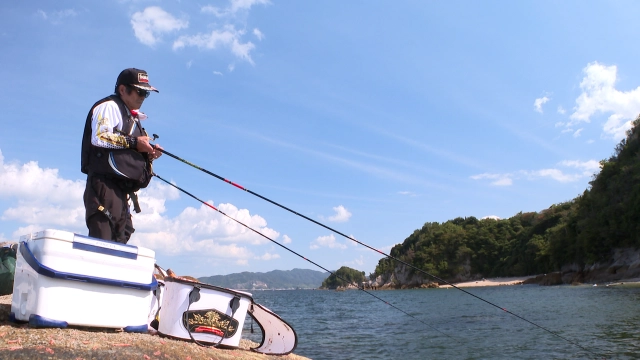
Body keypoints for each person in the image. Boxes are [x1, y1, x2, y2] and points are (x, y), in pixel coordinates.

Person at [81, 68, 163, 244]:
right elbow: (100, 137)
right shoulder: (108, 107)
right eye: (140, 91)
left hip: (121, 191)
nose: (142, 97)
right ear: (123, 90)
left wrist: (149, 153)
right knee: (103, 242)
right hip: (103, 187)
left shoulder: (133, 117)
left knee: (120, 238)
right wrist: (135, 143)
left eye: (146, 94)